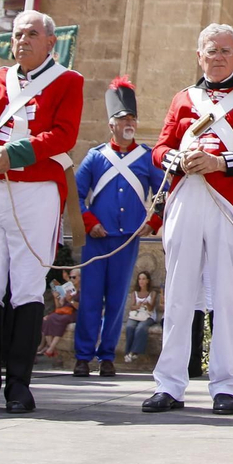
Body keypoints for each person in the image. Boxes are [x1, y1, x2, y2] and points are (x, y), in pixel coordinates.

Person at [0, 10, 83, 415]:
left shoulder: (68, 81)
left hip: (37, 190)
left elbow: (63, 134)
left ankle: (19, 386)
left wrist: (14, 154)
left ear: (50, 42)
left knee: (25, 286)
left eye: (31, 34)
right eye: (17, 34)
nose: (22, 40)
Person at [145, 23, 233, 416]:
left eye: (224, 50)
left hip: (228, 202)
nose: (216, 57)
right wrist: (177, 160)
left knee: (227, 297)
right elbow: (161, 147)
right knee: (179, 293)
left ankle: (225, 386)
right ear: (198, 55)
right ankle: (169, 384)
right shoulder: (183, 98)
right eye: (209, 50)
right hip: (186, 197)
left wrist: (219, 163)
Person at [72, 77, 164, 377]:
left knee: (115, 300)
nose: (129, 123)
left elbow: (164, 191)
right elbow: (74, 195)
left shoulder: (147, 157)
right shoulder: (95, 157)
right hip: (97, 239)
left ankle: (107, 355)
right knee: (89, 299)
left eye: (132, 118)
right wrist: (90, 223)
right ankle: (83, 356)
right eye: (123, 118)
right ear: (111, 124)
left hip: (126, 241)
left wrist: (153, 222)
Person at [40, 270, 77, 358]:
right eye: (71, 277)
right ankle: (52, 348)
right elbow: (59, 307)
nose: (72, 279)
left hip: (74, 312)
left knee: (61, 320)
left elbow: (81, 307)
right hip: (64, 311)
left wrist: (70, 300)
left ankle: (51, 348)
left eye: (74, 277)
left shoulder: (82, 290)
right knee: (48, 319)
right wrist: (56, 298)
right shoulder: (67, 289)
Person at [123, 271, 157, 363]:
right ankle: (128, 352)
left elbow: (151, 308)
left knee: (141, 328)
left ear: (147, 281)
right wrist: (138, 306)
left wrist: (147, 304)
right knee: (130, 327)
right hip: (136, 315)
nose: (141, 281)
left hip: (148, 316)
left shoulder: (152, 293)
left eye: (143, 279)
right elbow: (132, 307)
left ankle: (134, 352)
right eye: (139, 279)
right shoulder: (135, 293)